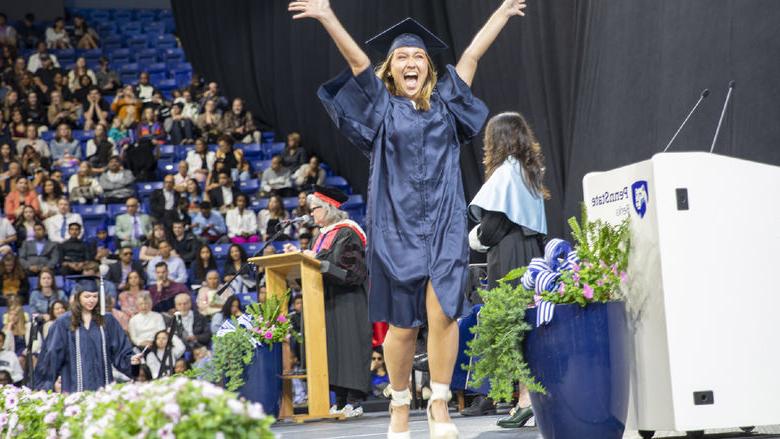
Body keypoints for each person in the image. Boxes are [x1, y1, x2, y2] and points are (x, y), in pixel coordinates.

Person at [291, 0, 528, 435]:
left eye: (419, 56)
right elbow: (358, 63)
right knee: (402, 326)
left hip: (443, 222)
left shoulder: (447, 106)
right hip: (395, 226)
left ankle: (439, 404)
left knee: (444, 315)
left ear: (429, 69)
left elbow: (471, 57)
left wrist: (500, 13)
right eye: (402, 56)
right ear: (391, 70)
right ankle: (400, 404)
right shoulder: (382, 109)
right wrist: (327, 15)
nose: (412, 61)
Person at [466, 112, 548, 427]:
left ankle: (525, 400)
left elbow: (492, 227)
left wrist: (476, 238)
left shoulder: (505, 175)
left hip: (510, 256)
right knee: (526, 325)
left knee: (514, 329)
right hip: (531, 254)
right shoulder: (529, 172)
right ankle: (528, 400)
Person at [283, 186, 371, 417]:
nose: (311, 214)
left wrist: (318, 262)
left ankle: (354, 401)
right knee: (331, 350)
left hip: (348, 301)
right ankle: (339, 400)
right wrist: (300, 258)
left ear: (328, 208)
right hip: (325, 299)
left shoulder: (348, 232)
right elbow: (315, 266)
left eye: (314, 209)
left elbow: (353, 272)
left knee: (348, 349)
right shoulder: (319, 236)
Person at [34, 277, 142, 392]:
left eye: (95, 296)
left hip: (103, 386)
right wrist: (44, 385)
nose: (91, 300)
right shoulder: (64, 322)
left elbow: (120, 349)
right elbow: (52, 353)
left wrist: (131, 360)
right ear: (78, 297)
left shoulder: (107, 320)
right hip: (74, 387)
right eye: (87, 296)